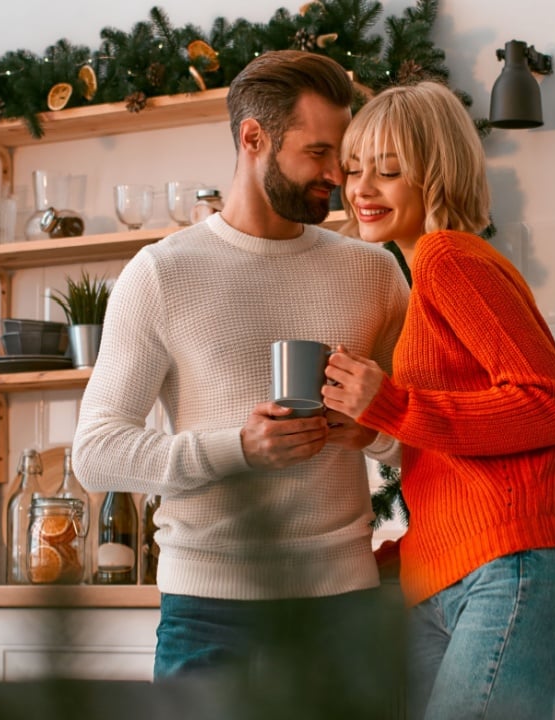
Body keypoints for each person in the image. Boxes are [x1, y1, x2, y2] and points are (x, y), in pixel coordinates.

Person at [72, 50, 409, 718]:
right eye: (318, 153)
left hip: (343, 610)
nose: (338, 177)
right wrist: (239, 447)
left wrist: (374, 433)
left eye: (342, 153)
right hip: (207, 614)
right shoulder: (163, 273)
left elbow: (423, 433)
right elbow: (96, 452)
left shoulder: (375, 273)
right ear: (253, 138)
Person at [322, 80, 555, 720]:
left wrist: (391, 406)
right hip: (449, 580)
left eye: (388, 171)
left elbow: (552, 407)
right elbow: (462, 427)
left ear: (436, 173)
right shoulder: (420, 277)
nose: (362, 189)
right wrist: (373, 430)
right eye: (355, 168)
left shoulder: (449, 256)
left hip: (511, 571)